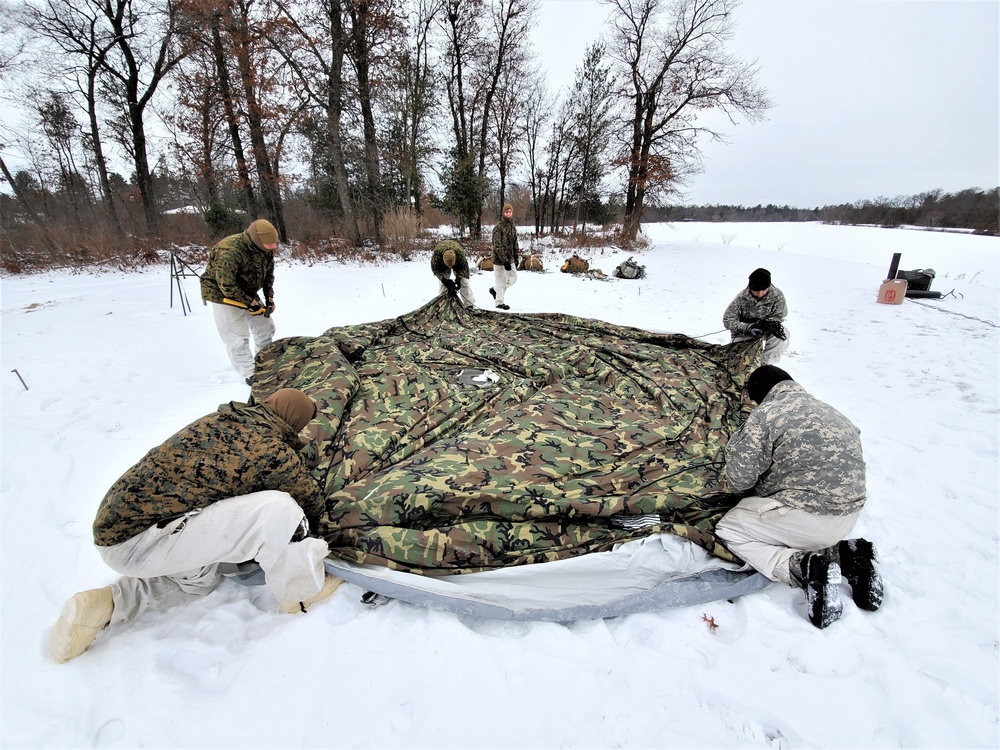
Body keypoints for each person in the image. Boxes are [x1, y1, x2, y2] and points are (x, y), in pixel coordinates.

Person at [49, 389, 341, 663]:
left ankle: (104, 604)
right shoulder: (270, 450)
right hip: (143, 538)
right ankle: (301, 592)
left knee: (197, 580)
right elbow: (307, 500)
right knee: (281, 510)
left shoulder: (224, 419)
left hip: (117, 531)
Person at [715, 366, 884, 629]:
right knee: (799, 525)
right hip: (847, 517)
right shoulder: (834, 413)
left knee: (729, 529)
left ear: (760, 392)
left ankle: (804, 567)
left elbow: (739, 480)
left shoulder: (766, 415)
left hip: (801, 518)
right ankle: (847, 555)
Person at [201, 219, 280, 384]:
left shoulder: (265, 250)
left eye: (274, 244)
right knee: (237, 337)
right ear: (258, 240)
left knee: (266, 327)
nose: (273, 248)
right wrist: (249, 303)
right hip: (222, 295)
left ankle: (264, 363)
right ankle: (250, 373)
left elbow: (268, 277)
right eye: (269, 245)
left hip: (247, 291)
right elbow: (226, 285)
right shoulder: (230, 249)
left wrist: (269, 298)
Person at [723, 268, 789, 364]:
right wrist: (747, 326)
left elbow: (779, 315)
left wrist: (767, 324)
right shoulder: (741, 298)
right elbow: (727, 320)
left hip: (766, 330)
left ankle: (766, 364)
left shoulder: (777, 295)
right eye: (756, 291)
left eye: (764, 290)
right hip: (745, 333)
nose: (760, 294)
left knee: (783, 334)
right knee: (737, 362)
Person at [490, 203, 519, 311]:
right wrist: (504, 261)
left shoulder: (512, 226)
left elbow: (515, 242)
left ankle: (495, 290)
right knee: (501, 281)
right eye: (506, 211)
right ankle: (499, 303)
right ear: (503, 213)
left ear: (512, 213)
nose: (508, 213)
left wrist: (516, 257)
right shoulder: (498, 227)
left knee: (514, 278)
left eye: (510, 211)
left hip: (510, 258)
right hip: (499, 260)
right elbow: (497, 246)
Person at [431, 239, 476, 307]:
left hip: (458, 264)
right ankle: (444, 305)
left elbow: (464, 268)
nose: (449, 267)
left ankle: (469, 305)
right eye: (448, 265)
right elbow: (435, 269)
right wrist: (443, 280)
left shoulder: (460, 254)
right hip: (442, 266)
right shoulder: (437, 255)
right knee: (443, 285)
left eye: (451, 265)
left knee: (464, 282)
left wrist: (459, 277)